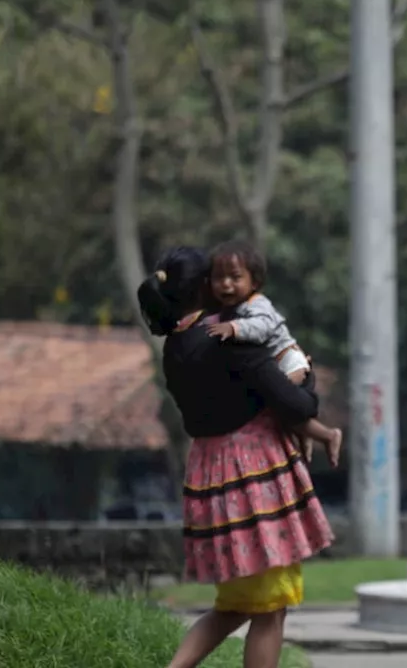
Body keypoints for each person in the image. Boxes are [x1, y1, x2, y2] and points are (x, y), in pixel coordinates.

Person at [136, 246, 337, 668]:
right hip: (254, 479)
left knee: (235, 605)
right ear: (204, 287)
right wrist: (308, 376)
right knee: (270, 609)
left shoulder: (174, 350)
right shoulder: (229, 340)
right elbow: (296, 406)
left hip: (211, 479)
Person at [203, 239, 343, 467]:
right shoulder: (228, 309)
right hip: (278, 362)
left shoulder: (257, 305)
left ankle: (327, 435)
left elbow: (262, 327)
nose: (226, 284)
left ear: (254, 282)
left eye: (235, 278)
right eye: (219, 278)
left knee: (281, 400)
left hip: (289, 361)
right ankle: (306, 435)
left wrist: (234, 329)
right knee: (280, 410)